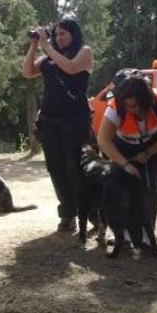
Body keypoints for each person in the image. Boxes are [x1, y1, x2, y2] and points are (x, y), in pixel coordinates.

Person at [22, 18, 94, 234]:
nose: (59, 37)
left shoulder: (84, 52)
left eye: (63, 33)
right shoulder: (49, 56)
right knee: (56, 169)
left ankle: (90, 212)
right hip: (50, 122)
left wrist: (46, 47)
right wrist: (34, 45)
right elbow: (27, 72)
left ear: (74, 34)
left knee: (76, 167)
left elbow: (71, 69)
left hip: (75, 120)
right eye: (56, 34)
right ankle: (67, 215)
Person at [96, 71, 157, 234]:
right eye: (128, 105)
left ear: (146, 101)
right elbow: (103, 140)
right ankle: (124, 230)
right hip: (124, 145)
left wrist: (146, 154)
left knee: (150, 185)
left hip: (155, 144)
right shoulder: (115, 107)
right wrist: (125, 165)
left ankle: (148, 231)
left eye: (136, 105)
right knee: (122, 186)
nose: (131, 109)